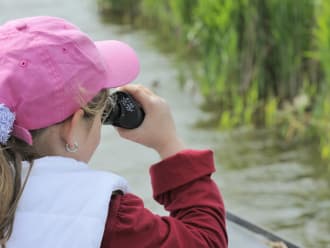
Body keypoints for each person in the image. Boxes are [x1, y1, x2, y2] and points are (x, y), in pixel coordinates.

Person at [0, 16, 228, 248]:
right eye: (102, 113)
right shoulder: (107, 219)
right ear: (72, 128)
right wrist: (169, 144)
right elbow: (206, 242)